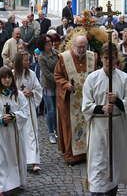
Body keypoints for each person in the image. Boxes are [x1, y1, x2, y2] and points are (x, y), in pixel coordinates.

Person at [82, 42, 127, 195]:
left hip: (117, 128)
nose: (108, 61)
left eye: (111, 58)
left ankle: (112, 191)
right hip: (98, 128)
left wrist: (118, 101)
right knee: (99, 164)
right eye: (106, 58)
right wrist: (101, 108)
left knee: (114, 164)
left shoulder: (124, 79)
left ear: (116, 59)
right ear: (101, 58)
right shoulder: (92, 79)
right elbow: (85, 105)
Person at [0, 67, 28, 196]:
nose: (7, 80)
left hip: (14, 133)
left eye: (9, 77)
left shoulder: (18, 95)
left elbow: (25, 111)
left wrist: (14, 116)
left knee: (14, 157)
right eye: (4, 77)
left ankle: (15, 183)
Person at [54, 35, 96, 165]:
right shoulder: (64, 58)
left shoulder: (92, 57)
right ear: (73, 46)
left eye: (84, 47)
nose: (82, 50)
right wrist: (66, 84)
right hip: (70, 100)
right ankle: (71, 155)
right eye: (79, 47)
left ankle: (87, 152)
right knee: (70, 126)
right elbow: (57, 75)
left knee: (87, 125)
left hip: (88, 99)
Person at [14, 51, 42, 172]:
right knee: (19, 133)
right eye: (26, 60)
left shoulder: (31, 74)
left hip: (29, 106)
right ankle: (21, 160)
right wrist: (19, 94)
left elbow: (38, 88)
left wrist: (32, 93)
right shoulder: (13, 74)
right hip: (17, 107)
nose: (28, 62)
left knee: (32, 133)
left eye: (29, 60)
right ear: (20, 62)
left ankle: (35, 160)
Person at [38, 35, 59, 144]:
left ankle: (56, 129)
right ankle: (51, 132)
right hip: (48, 86)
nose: (50, 43)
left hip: (57, 85)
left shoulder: (56, 52)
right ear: (43, 45)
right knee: (51, 110)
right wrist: (59, 79)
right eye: (47, 42)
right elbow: (46, 74)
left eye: (50, 41)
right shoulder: (41, 57)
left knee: (57, 109)